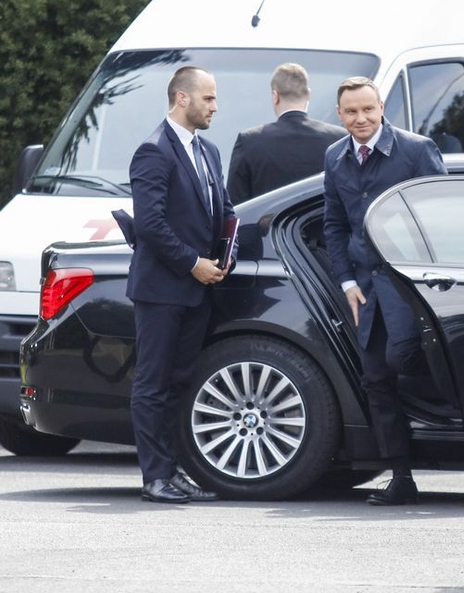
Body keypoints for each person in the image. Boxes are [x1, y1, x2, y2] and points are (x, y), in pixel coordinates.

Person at [322, 77, 446, 506]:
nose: (360, 119)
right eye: (351, 112)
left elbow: (441, 216)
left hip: (412, 288)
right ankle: (401, 476)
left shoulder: (416, 150)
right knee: (376, 379)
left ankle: (446, 444)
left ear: (381, 109)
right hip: (366, 291)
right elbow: (334, 225)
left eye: (368, 110)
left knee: (405, 360)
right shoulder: (335, 157)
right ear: (339, 115)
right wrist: (347, 282)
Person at [127, 66, 236, 503]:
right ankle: (155, 477)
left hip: (199, 289)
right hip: (161, 290)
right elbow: (149, 223)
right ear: (182, 99)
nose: (215, 106)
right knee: (152, 385)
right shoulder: (153, 151)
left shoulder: (208, 150)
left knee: (179, 384)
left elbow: (224, 210)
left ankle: (173, 473)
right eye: (208, 98)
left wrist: (227, 253)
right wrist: (193, 264)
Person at [227, 63, 346, 203]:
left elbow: (234, 205)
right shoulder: (339, 138)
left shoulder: (249, 141)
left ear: (275, 96)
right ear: (308, 94)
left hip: (266, 224)